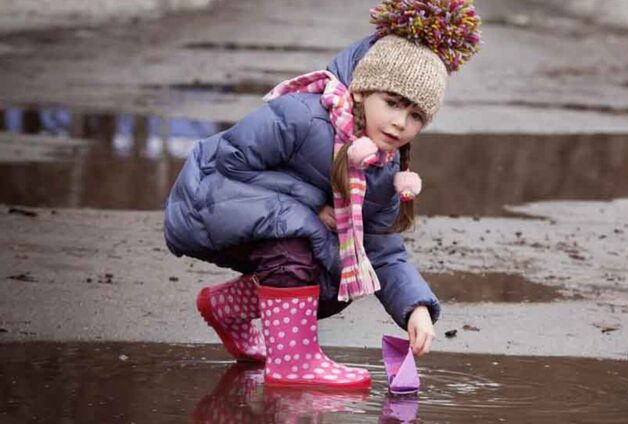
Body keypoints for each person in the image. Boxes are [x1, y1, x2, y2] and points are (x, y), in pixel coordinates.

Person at [164, 0, 481, 389]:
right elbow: (230, 163)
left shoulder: (383, 167)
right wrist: (313, 205)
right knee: (297, 240)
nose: (401, 123)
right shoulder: (302, 116)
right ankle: (293, 363)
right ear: (364, 91)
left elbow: (380, 247)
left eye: (416, 116)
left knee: (346, 274)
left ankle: (228, 308)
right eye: (393, 103)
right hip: (206, 201)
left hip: (265, 219)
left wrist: (415, 308)